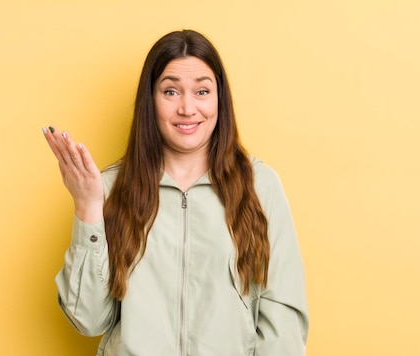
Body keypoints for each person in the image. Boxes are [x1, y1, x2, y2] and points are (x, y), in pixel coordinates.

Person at [43, 29, 309, 355]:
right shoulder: (110, 187)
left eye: (202, 91)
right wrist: (87, 208)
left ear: (219, 99)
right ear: (150, 100)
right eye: (170, 91)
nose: (187, 108)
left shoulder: (260, 186)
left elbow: (282, 321)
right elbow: (88, 320)